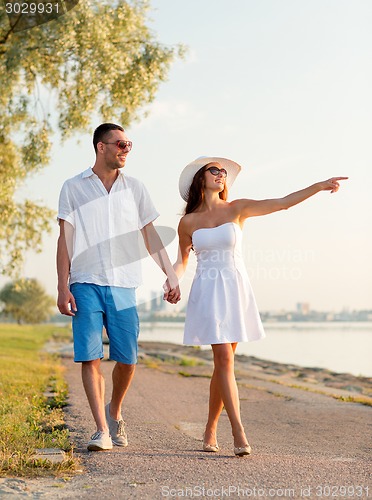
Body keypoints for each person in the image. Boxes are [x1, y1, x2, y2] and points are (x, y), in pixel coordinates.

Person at [170, 155, 347, 457]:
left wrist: (318, 186)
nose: (221, 175)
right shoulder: (187, 222)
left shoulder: (238, 208)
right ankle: (238, 431)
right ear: (201, 178)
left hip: (235, 288)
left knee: (222, 365)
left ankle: (210, 429)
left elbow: (282, 203)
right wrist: (171, 281)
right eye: (215, 170)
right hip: (208, 290)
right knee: (224, 359)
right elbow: (182, 261)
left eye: (224, 172)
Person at [56, 123, 180, 451]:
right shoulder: (73, 187)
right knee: (90, 356)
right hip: (84, 281)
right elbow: (65, 239)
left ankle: (115, 410)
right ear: (101, 146)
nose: (126, 149)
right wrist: (61, 285)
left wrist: (170, 273)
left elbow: (150, 236)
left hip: (124, 284)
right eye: (121, 143)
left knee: (128, 359)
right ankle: (101, 430)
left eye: (129, 144)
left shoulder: (136, 188)